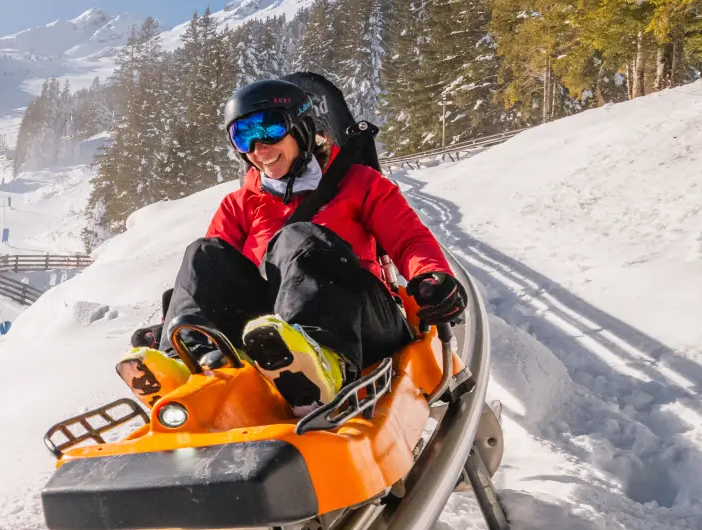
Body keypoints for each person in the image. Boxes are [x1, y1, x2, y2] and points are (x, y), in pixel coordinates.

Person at [117, 77, 467, 410]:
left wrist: (430, 276)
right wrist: (170, 328)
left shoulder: (359, 183)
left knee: (299, 238)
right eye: (244, 137)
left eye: (269, 128)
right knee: (204, 254)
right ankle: (187, 366)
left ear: (302, 128)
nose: (259, 148)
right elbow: (208, 282)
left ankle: (325, 359)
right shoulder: (240, 204)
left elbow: (409, 240)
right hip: (272, 339)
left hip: (362, 321)